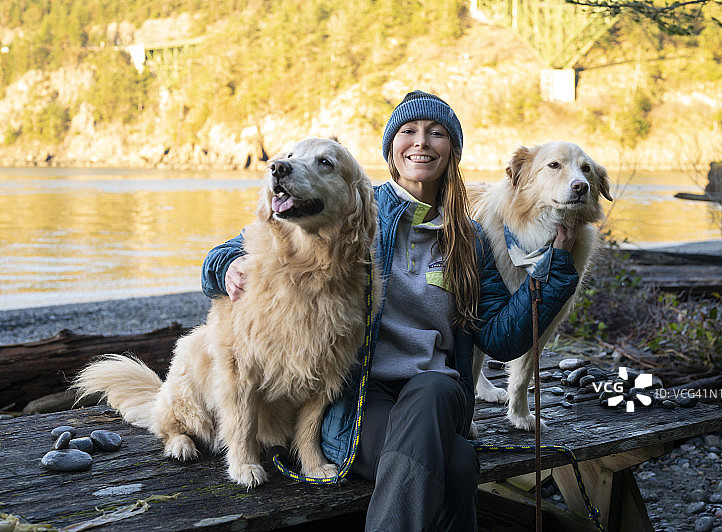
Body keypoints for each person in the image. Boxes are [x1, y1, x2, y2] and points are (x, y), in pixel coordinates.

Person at [201, 90, 579, 531]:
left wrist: (553, 270)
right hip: (362, 399)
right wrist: (231, 264)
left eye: (436, 133)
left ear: (451, 152)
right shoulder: (356, 207)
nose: (421, 141)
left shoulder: (468, 238)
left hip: (437, 395)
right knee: (457, 467)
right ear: (392, 149)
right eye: (409, 131)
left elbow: (501, 337)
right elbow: (232, 250)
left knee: (435, 388)